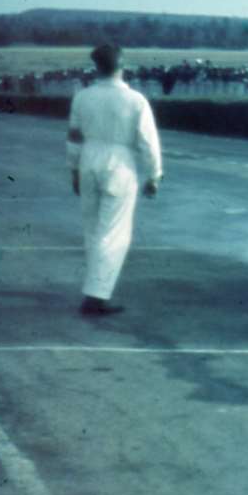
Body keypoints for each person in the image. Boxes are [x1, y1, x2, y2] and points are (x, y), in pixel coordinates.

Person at [67, 44, 163, 316]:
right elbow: (148, 142)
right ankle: (96, 295)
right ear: (122, 67)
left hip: (88, 160)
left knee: (93, 229)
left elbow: (73, 138)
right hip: (119, 164)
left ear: (96, 67)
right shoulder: (135, 100)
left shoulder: (82, 97)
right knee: (113, 233)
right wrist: (154, 175)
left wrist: (73, 169)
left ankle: (95, 290)